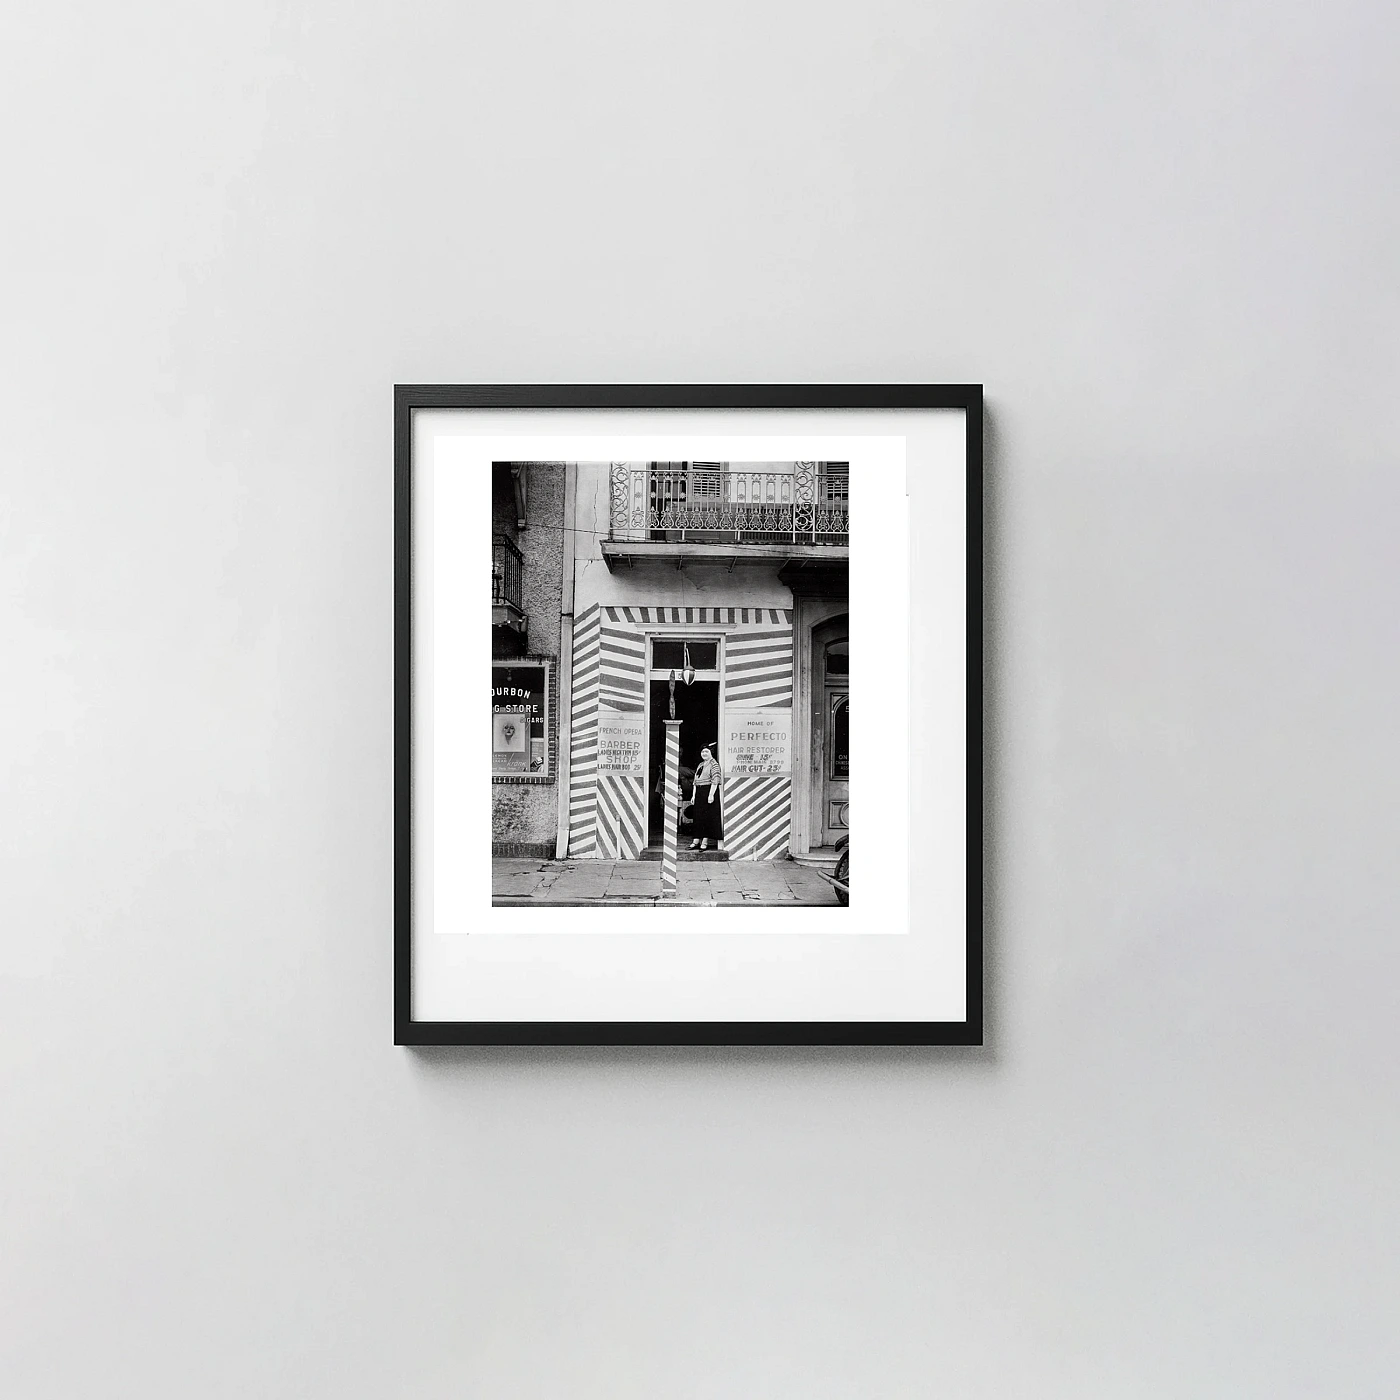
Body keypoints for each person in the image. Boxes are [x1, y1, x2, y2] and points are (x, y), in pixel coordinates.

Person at [689, 745, 724, 850]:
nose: (704, 754)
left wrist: (711, 794)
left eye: (706, 751)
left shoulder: (714, 764)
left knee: (706, 818)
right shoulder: (700, 764)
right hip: (699, 792)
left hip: (708, 791)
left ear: (711, 752)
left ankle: (704, 841)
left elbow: (716, 779)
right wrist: (693, 795)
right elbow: (695, 782)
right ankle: (696, 840)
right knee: (698, 816)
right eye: (702, 752)